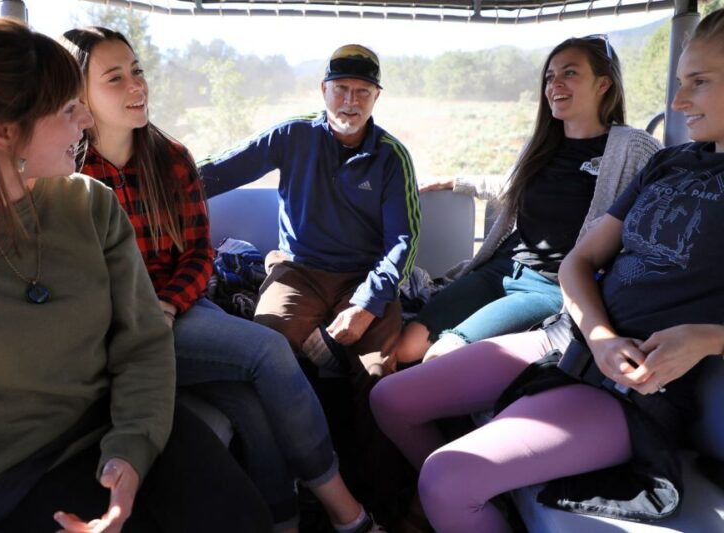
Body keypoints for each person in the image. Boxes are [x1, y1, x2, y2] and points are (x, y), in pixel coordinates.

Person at [371, 10, 724, 531]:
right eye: (679, 83)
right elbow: (581, 261)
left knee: (447, 478)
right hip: (571, 340)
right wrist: (599, 336)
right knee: (391, 398)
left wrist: (708, 338)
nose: (677, 102)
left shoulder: (634, 150)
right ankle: (472, 509)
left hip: (637, 387)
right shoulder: (668, 164)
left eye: (699, 82)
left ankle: (452, 506)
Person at [0, 18, 272, 532]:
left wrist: (130, 452)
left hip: (122, 433)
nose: (87, 120)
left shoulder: (90, 207)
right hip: (13, 479)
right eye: (69, 109)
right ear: (3, 132)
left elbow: (144, 345)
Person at [63, 27, 380, 533]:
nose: (136, 86)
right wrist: (150, 315)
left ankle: (285, 519)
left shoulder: (169, 159)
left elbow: (197, 254)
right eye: (115, 78)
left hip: (177, 309)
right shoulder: (68, 175)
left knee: (254, 405)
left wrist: (169, 305)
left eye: (138, 71)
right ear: (80, 94)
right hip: (119, 329)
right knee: (268, 350)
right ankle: (347, 511)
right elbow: (77, 282)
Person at [393, 35, 661, 369]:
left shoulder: (633, 147)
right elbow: (509, 184)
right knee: (404, 348)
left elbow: (663, 206)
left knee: (440, 356)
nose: (555, 84)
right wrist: (452, 181)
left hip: (551, 285)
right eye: (550, 77)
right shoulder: (540, 144)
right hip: (503, 268)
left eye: (570, 73)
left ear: (603, 83)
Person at [199, 43, 419, 377]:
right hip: (298, 271)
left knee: (375, 374)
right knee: (267, 350)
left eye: (362, 92)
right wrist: (158, 182)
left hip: (363, 276)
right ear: (324, 90)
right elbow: (222, 170)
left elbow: (403, 241)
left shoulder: (392, 157)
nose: (350, 102)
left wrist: (368, 303)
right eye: (341, 89)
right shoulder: (293, 135)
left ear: (376, 97)